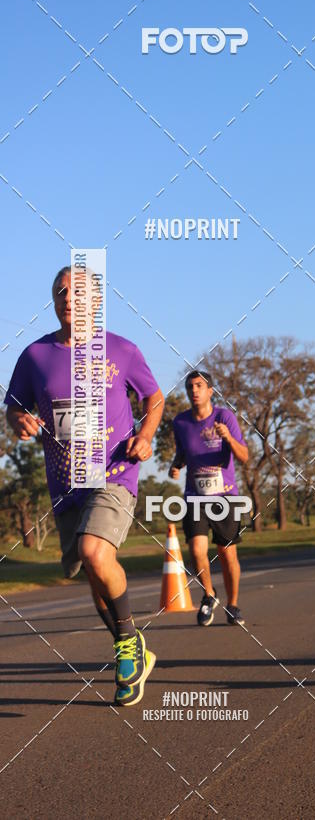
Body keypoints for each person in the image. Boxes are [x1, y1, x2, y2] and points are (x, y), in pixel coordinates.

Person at [4, 266, 164, 706]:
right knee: (90, 574)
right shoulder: (35, 356)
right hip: (65, 484)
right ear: (53, 301)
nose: (67, 298)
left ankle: (128, 644)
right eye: (60, 292)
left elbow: (154, 397)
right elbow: (13, 407)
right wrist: (18, 421)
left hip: (114, 472)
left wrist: (146, 435)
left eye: (77, 292)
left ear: (95, 301)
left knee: (96, 552)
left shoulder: (122, 350)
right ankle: (134, 651)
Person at [169, 370, 249, 627]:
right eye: (190, 386)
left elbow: (244, 455)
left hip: (225, 496)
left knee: (227, 554)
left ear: (210, 391)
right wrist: (176, 465)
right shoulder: (180, 423)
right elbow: (182, 452)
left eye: (199, 386)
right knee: (196, 549)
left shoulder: (224, 417)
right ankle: (209, 594)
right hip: (195, 496)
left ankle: (233, 604)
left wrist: (227, 437)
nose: (194, 390)